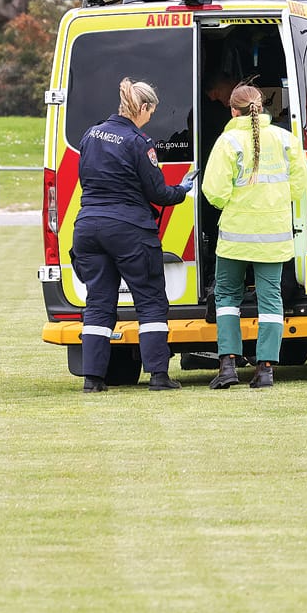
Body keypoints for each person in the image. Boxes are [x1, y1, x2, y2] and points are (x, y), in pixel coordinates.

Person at [74, 78, 195, 393]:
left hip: (87, 228)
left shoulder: (90, 134)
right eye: (151, 111)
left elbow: (86, 179)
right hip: (128, 230)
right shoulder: (138, 142)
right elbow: (158, 193)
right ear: (143, 107)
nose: (151, 117)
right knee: (151, 300)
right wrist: (183, 188)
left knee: (98, 303)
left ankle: (93, 379)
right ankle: (158, 376)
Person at [202, 83, 307, 389]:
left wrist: (232, 204)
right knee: (270, 300)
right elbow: (301, 182)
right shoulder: (285, 139)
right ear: (262, 107)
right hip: (274, 236)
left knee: (226, 298)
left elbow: (213, 191)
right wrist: (277, 200)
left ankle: (227, 366)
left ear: (232, 110)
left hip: (236, 236)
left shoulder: (228, 141)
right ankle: (265, 369)